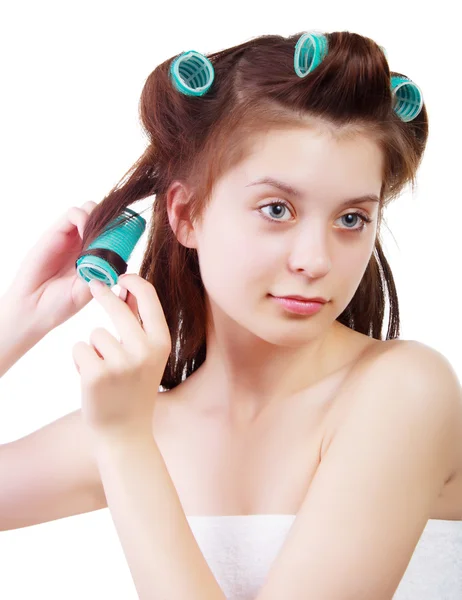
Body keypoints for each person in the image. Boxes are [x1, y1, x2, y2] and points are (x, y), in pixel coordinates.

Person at [0, 30, 461, 599]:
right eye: (277, 209)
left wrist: (124, 444)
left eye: (351, 219)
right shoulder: (143, 422)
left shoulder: (405, 390)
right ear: (187, 213)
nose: (316, 260)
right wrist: (17, 325)